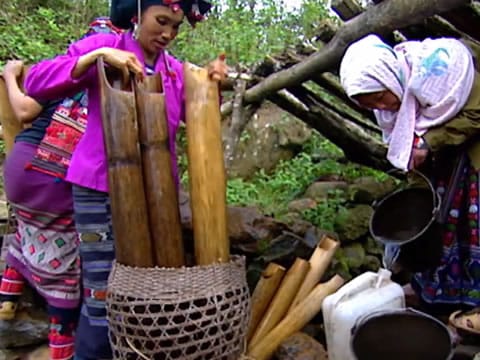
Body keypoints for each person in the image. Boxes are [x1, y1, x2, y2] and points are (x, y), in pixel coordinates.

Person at [22, 1, 227, 358]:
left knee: (146, 290)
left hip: (155, 196)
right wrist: (95, 57)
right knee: (103, 292)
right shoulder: (106, 47)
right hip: (97, 187)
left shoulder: (173, 71)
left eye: (175, 27)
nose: (167, 34)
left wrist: (210, 81)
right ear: (137, 14)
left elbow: (194, 115)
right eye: (161, 21)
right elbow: (35, 81)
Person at [0, 18, 122, 360]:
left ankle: (8, 296)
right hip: (57, 186)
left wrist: (10, 75)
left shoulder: (61, 76)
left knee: (25, 228)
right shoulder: (109, 91)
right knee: (68, 264)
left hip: (19, 175)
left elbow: (24, 110)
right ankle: (61, 342)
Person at [339, 34, 480, 317]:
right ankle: (444, 299)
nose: (382, 107)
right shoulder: (392, 107)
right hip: (443, 169)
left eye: (380, 96)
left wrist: (429, 141)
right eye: (371, 105)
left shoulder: (444, 69)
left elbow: (477, 113)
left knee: (474, 225)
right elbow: (408, 145)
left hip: (474, 159)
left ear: (390, 76)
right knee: (440, 227)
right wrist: (417, 187)